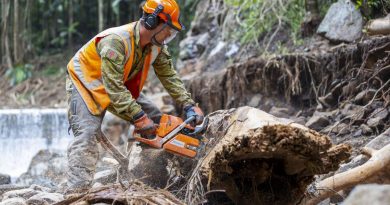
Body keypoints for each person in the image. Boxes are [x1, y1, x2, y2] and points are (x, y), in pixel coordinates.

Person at [64, 0, 204, 194]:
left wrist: (188, 104)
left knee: (157, 120)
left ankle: (151, 174)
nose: (168, 37)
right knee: (87, 133)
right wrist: (138, 117)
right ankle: (76, 191)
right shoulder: (116, 41)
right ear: (152, 22)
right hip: (86, 83)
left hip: (117, 85)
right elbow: (113, 89)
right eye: (168, 31)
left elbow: (169, 76)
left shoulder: (157, 45)